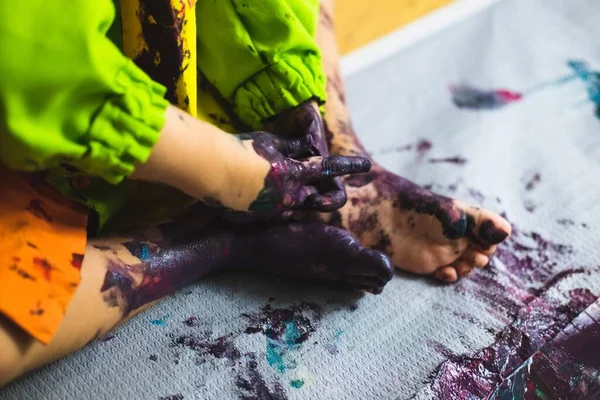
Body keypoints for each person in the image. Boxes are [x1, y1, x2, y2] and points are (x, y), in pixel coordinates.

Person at [0, 0, 510, 386]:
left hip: (197, 64)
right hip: (40, 122)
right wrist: (219, 171)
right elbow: (29, 57)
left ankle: (340, 164)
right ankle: (208, 236)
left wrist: (285, 95)